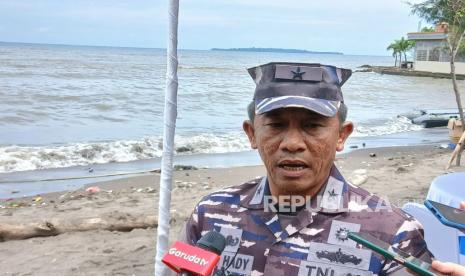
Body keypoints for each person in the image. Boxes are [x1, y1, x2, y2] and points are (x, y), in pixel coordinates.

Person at [177, 62, 433, 275]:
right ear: (252, 133)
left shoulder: (393, 232)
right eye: (276, 125)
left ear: (342, 136)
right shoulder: (210, 214)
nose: (292, 144)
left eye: (312, 126)